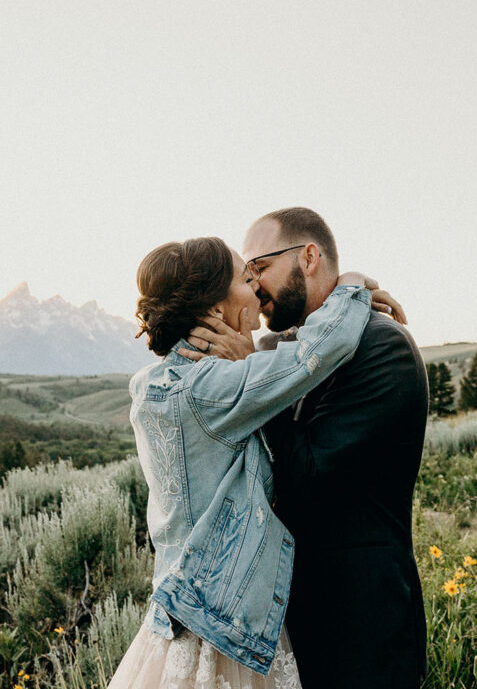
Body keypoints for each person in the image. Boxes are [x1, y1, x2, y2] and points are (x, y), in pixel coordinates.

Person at [109, 235, 397, 689]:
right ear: (216, 309)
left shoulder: (150, 385)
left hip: (178, 613)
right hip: (224, 624)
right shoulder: (212, 388)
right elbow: (315, 355)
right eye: (247, 279)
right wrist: (352, 286)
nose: (257, 292)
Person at [191, 208, 429, 689]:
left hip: (362, 628)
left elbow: (308, 477)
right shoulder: (277, 350)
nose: (254, 286)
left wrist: (256, 387)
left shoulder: (383, 348)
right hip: (285, 625)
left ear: (309, 256)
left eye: (259, 268)